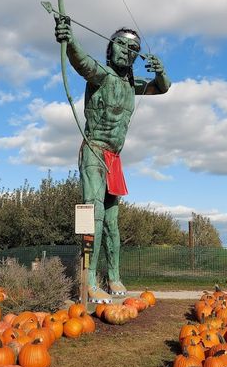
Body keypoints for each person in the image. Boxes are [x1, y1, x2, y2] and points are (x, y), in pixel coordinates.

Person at [54, 18, 170, 302]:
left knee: (112, 223)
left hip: (114, 159)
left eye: (133, 49)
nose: (126, 51)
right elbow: (81, 61)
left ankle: (114, 277)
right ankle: (89, 279)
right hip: (94, 150)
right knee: (93, 214)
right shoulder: (101, 75)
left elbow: (163, 87)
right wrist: (68, 38)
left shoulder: (132, 85)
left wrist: (161, 71)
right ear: (110, 49)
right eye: (121, 45)